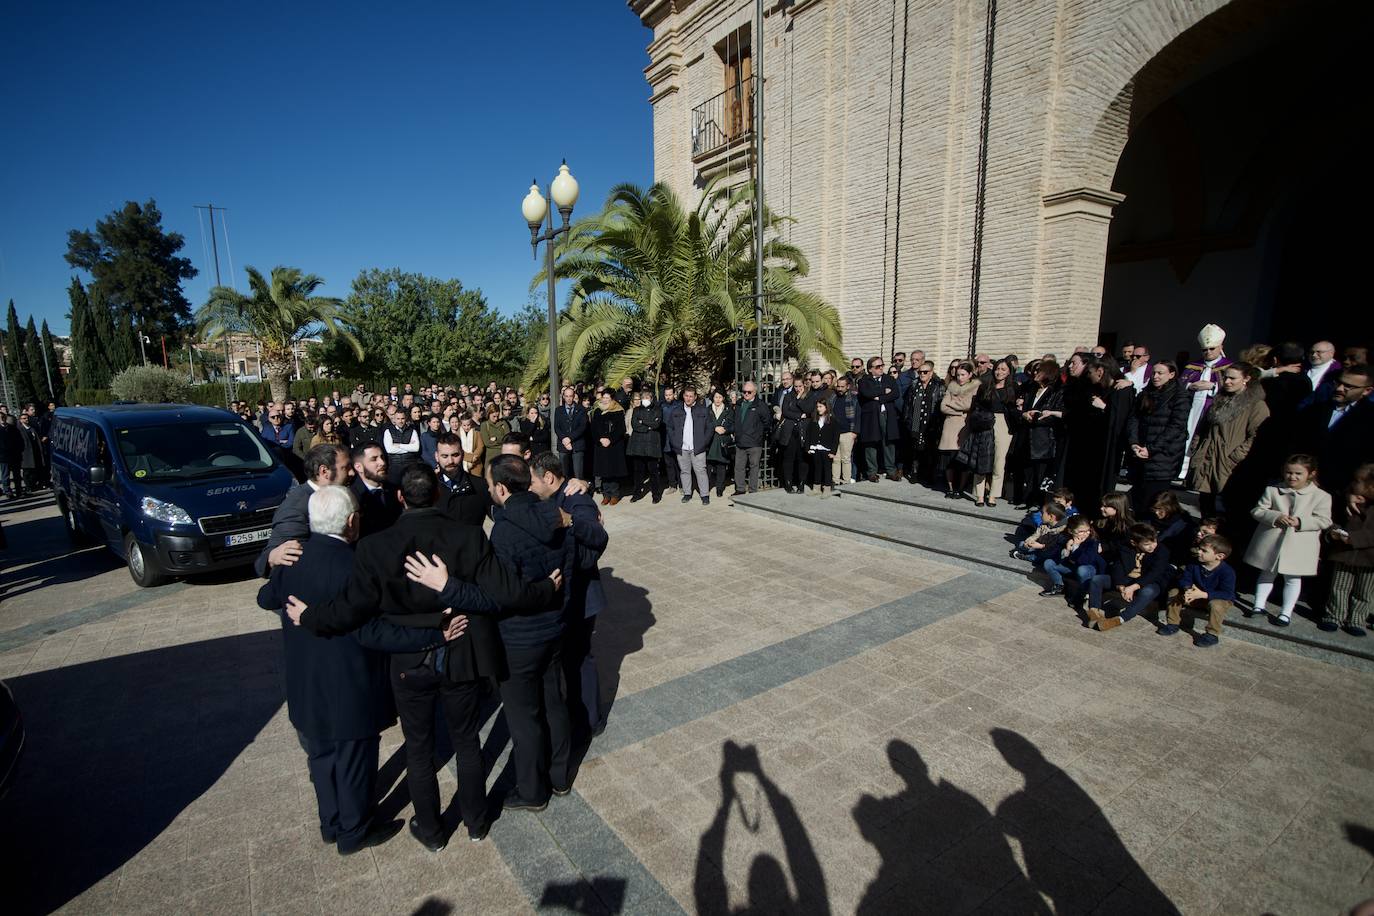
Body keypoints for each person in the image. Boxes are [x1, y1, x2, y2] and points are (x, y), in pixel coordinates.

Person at [286, 466, 561, 847]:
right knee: (467, 741)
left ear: (401, 498)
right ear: (437, 496)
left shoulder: (374, 546)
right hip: (461, 651)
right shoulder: (468, 536)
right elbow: (503, 594)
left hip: (407, 661)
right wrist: (545, 589)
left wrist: (309, 616)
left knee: (418, 747)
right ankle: (476, 822)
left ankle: (431, 831)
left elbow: (352, 609)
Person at [257, 486, 454, 856]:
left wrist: (274, 559)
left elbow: (266, 598)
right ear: (352, 521)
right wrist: (434, 635)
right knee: (354, 760)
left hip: (305, 681)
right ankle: (353, 831)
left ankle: (330, 823)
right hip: (350, 683)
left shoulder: (292, 559)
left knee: (321, 757)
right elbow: (376, 630)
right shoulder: (356, 566)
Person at [481, 454, 580, 810]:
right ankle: (559, 778)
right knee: (554, 704)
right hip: (554, 628)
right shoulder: (557, 517)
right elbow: (567, 571)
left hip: (519, 637)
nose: (489, 490)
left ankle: (531, 791)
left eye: (490, 485)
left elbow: (505, 593)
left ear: (503, 489)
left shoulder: (504, 532)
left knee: (524, 718)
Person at [529, 451, 609, 737]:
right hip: (570, 597)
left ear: (548, 477)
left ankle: (589, 720)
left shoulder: (577, 501)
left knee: (579, 659)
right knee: (571, 660)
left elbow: (591, 550)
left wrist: (570, 527)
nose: (530, 487)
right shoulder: (558, 496)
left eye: (532, 481)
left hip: (581, 598)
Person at [1243, 454, 1332, 626]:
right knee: (1266, 573)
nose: (1292, 477)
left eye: (1298, 473)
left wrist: (1301, 522)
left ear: (1311, 474)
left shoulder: (1321, 496)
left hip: (1299, 545)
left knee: (1292, 578)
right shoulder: (1273, 490)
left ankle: (1286, 612)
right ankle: (1258, 605)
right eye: (1289, 472)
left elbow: (1324, 520)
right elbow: (1258, 510)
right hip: (1271, 542)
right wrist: (1275, 516)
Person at [255, 444, 353, 578]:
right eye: (345, 468)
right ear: (324, 471)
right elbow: (284, 558)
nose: (352, 472)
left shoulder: (343, 494)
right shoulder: (296, 508)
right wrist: (271, 557)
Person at [1187, 362, 1269, 517]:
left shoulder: (1256, 405)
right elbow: (1203, 427)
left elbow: (1257, 436)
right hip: (1208, 458)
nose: (1227, 382)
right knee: (1205, 504)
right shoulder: (1219, 400)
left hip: (1230, 463)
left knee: (1227, 508)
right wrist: (1197, 448)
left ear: (1246, 379)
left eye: (1233, 378)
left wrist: (1235, 456)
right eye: (1225, 378)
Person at [1124, 360, 1189, 517]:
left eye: (1160, 373)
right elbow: (1134, 419)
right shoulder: (1145, 394)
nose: (1155, 376)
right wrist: (1134, 444)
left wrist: (1151, 449)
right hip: (1140, 454)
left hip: (1162, 458)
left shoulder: (1180, 397)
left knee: (1154, 503)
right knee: (1137, 500)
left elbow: (1175, 427)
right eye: (1154, 373)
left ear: (1171, 374)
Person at [1299, 364, 1373, 497]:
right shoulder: (1313, 411)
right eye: (1338, 383)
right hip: (1303, 485)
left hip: (1342, 492)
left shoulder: (1370, 418)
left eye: (1348, 387)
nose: (1339, 389)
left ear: (1367, 391)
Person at [1084, 522, 1172, 631]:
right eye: (1147, 544)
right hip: (1127, 579)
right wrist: (1120, 586)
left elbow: (1155, 573)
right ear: (1134, 543)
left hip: (1149, 582)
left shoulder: (1161, 551)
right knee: (1097, 580)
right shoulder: (1126, 548)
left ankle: (1120, 619)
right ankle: (1094, 613)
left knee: (1148, 592)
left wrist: (1134, 587)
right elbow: (1118, 567)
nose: (1152, 545)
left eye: (1154, 541)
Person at [1321, 464, 1373, 635]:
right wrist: (1334, 532)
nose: (1353, 483)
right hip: (1344, 554)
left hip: (1369, 558)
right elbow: (1333, 519)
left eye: (1358, 481)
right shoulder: (1347, 499)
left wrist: (1354, 539)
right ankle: (1333, 616)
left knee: (1363, 592)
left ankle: (1357, 620)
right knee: (1339, 587)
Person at [1161, 534, 1236, 647]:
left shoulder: (1227, 572)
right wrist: (1187, 589)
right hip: (1195, 596)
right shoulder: (1194, 564)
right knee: (1174, 592)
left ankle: (1212, 634)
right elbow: (1185, 579)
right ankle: (1172, 624)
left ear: (1219, 556)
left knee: (1217, 605)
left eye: (1204, 551)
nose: (1199, 552)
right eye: (1199, 549)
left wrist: (1203, 594)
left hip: (1214, 598)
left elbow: (1227, 593)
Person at [1179, 323, 1233, 477]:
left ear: (1220, 346)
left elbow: (1234, 389)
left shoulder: (1229, 367)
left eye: (1212, 348)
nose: (1208, 352)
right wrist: (1190, 386)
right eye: (1204, 349)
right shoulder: (1193, 366)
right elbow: (1180, 384)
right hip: (1191, 410)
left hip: (1211, 411)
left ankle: (1195, 475)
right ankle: (1181, 473)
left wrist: (1213, 386)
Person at [967, 360, 1017, 507]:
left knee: (999, 462)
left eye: (1003, 369)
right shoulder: (986, 386)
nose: (999, 372)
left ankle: (993, 495)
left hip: (1003, 424)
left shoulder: (1012, 388)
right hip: (986, 422)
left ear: (1008, 372)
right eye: (997, 369)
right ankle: (980, 495)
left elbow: (1015, 409)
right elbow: (977, 406)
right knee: (982, 459)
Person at [1015, 359, 1064, 509]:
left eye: (1039, 370)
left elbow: (1052, 415)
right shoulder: (1032, 389)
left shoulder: (1055, 392)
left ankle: (1037, 501)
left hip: (1043, 438)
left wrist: (1035, 417)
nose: (1035, 373)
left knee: (1040, 472)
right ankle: (1028, 499)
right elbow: (1024, 409)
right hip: (1027, 436)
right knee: (1029, 470)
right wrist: (1024, 414)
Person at [434, 432, 492, 527]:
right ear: (436, 456)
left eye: (455, 455)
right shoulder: (429, 487)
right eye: (445, 456)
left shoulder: (480, 486)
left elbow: (499, 519)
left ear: (463, 454)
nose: (450, 461)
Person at [1039, 516, 1103, 601]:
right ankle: (1059, 586)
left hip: (1088, 570)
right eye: (1081, 531)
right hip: (1071, 568)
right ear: (1070, 531)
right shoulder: (1065, 538)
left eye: (1088, 530)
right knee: (1049, 563)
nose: (1086, 534)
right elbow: (1053, 554)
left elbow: (1084, 561)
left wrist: (1076, 547)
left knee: (1082, 570)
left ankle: (1084, 592)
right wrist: (1066, 550)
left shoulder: (1092, 542)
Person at [665, 386, 712, 504]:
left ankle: (704, 495)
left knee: (701, 471)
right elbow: (670, 427)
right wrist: (675, 442)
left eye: (691, 396)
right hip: (682, 447)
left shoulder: (703, 410)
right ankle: (687, 493)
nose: (688, 398)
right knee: (684, 471)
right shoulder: (676, 411)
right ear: (683, 396)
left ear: (695, 397)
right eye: (686, 396)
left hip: (698, 447)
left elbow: (710, 427)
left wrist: (703, 442)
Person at [938, 361, 978, 498]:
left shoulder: (974, 387)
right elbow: (943, 406)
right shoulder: (951, 386)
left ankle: (959, 488)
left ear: (970, 375)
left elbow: (968, 405)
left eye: (963, 375)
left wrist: (952, 404)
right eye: (958, 375)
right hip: (949, 426)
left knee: (962, 460)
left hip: (964, 427)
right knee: (948, 460)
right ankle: (950, 487)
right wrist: (959, 410)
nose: (960, 377)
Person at [857, 356, 901, 481]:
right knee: (870, 443)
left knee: (889, 442)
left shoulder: (889, 379)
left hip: (887, 414)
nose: (881, 368)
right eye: (877, 366)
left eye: (882, 365)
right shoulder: (864, 381)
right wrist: (883, 390)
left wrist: (879, 398)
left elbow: (895, 393)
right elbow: (867, 393)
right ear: (870, 369)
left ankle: (891, 470)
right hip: (871, 416)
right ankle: (872, 471)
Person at [901, 361, 944, 486]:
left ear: (931, 373)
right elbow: (908, 405)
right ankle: (915, 472)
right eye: (920, 372)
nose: (922, 374)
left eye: (925, 372)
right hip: (915, 421)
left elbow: (940, 403)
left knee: (929, 450)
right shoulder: (914, 385)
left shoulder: (938, 385)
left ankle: (929, 474)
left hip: (931, 422)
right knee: (915, 449)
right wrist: (907, 420)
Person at [349, 443, 402, 538]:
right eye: (374, 459)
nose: (382, 463)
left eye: (382, 457)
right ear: (358, 467)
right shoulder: (351, 497)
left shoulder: (395, 489)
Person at [626, 388, 665, 503]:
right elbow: (634, 424)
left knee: (653, 471)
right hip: (638, 444)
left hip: (652, 444)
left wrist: (642, 422)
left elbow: (656, 424)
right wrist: (648, 426)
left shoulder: (657, 409)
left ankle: (656, 495)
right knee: (638, 471)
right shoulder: (637, 410)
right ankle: (637, 493)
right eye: (643, 398)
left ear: (652, 399)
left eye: (647, 398)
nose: (645, 400)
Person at [775, 375, 813, 493]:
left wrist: (799, 399)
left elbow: (808, 410)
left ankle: (801, 483)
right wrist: (799, 415)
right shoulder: (787, 396)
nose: (798, 388)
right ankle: (788, 483)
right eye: (796, 386)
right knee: (788, 458)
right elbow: (786, 412)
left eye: (800, 386)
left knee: (802, 459)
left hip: (803, 432)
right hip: (790, 432)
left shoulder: (809, 396)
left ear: (804, 385)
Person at [732, 381, 771, 495]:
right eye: (744, 391)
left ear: (755, 392)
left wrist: (758, 434)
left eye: (749, 392)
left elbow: (767, 422)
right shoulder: (739, 404)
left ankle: (753, 490)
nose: (746, 394)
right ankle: (740, 489)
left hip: (754, 443)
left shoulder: (760, 405)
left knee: (754, 467)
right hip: (740, 442)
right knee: (739, 467)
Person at [590, 390, 627, 505]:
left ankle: (614, 494)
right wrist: (600, 439)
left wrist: (610, 439)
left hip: (614, 445)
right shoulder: (597, 411)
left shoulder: (618, 410)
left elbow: (621, 429)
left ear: (612, 399)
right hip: (600, 445)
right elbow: (593, 428)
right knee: (603, 471)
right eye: (603, 397)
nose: (605, 400)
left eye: (607, 398)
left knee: (613, 470)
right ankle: (606, 494)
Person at [804, 398, 840, 497]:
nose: (818, 409)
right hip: (815, 448)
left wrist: (833, 451)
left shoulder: (832, 421)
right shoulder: (814, 420)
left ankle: (827, 488)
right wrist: (808, 447)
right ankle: (816, 488)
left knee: (827, 469)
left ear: (826, 407)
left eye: (821, 406)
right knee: (817, 468)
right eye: (817, 407)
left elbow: (835, 437)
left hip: (826, 449)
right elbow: (808, 434)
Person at [831, 375, 861, 486]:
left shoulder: (854, 398)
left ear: (848, 386)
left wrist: (855, 432)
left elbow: (858, 415)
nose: (839, 389)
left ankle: (846, 480)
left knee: (846, 458)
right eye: (838, 386)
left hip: (848, 432)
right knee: (835, 458)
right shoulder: (833, 397)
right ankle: (835, 480)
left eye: (842, 387)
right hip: (835, 432)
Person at [705, 390, 735, 498]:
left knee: (721, 466)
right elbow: (704, 424)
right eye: (716, 397)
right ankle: (706, 487)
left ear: (723, 398)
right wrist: (714, 427)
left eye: (720, 397)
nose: (718, 399)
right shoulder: (707, 410)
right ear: (713, 398)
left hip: (722, 441)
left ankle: (719, 488)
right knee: (708, 466)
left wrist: (726, 430)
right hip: (710, 441)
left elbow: (733, 425)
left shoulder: (729, 410)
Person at [382, 407, 421, 487]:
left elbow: (416, 448)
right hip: (394, 467)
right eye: (398, 419)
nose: (400, 421)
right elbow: (389, 450)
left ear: (406, 419)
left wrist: (399, 445)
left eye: (402, 418)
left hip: (410, 467)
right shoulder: (388, 431)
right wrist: (409, 447)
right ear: (394, 419)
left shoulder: (412, 431)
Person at [1303, 340, 1341, 406]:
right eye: (1311, 352)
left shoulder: (1337, 371)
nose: (1314, 355)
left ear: (1331, 353)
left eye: (1319, 352)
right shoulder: (1303, 366)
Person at [15, 412, 43, 495]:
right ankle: (28, 487)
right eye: (24, 418)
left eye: (27, 418)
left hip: (35, 452)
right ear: (20, 420)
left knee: (34, 470)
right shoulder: (19, 430)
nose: (26, 420)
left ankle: (33, 485)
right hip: (25, 453)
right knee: (27, 471)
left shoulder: (32, 428)